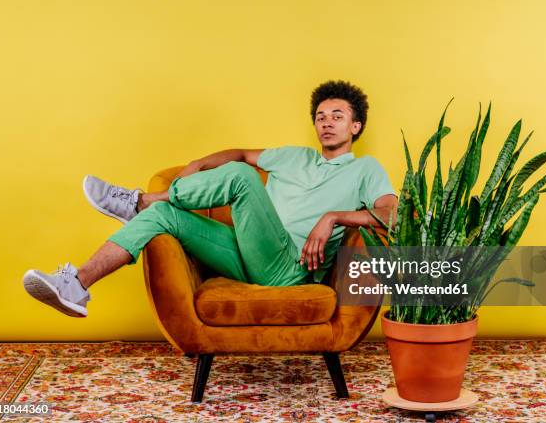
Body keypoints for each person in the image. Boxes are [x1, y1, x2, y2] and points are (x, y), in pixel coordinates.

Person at [22, 80, 398, 318]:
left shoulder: (364, 169)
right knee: (165, 215)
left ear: (355, 126)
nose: (327, 122)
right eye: (320, 116)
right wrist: (199, 163)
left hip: (288, 268)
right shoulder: (292, 156)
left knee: (240, 179)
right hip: (245, 253)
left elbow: (392, 214)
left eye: (337, 115)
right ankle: (77, 285)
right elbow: (239, 153)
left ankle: (140, 201)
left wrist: (333, 217)